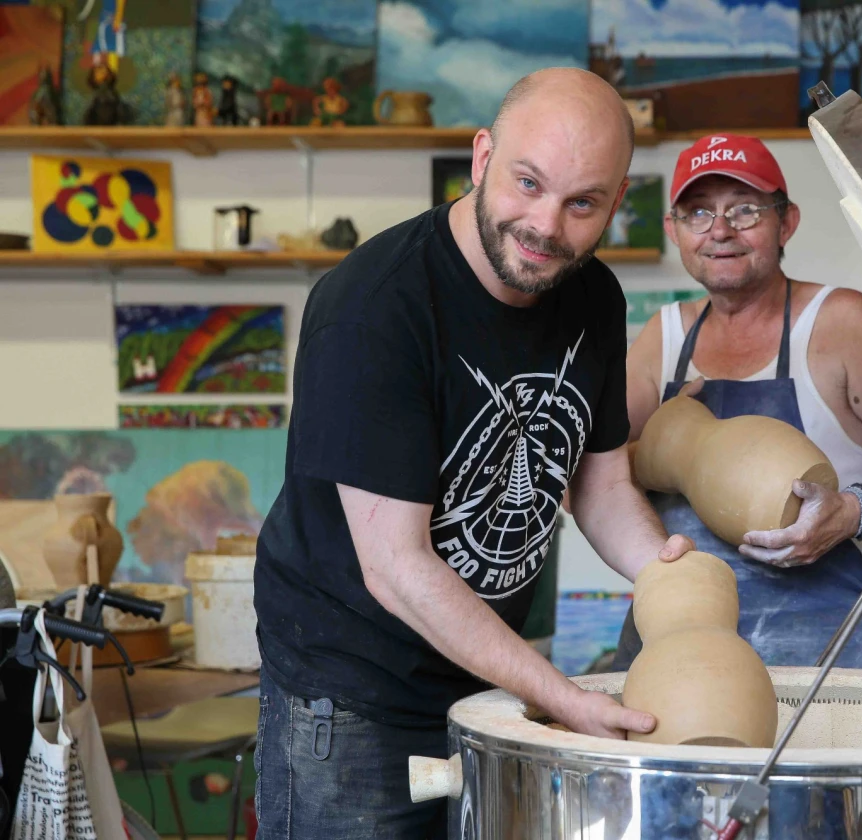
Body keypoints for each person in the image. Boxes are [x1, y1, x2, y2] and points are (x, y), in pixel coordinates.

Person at [251, 68, 693, 839]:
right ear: (482, 156)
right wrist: (559, 695)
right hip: (353, 699)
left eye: (582, 202)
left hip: (485, 683)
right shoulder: (373, 309)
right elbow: (397, 566)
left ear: (616, 203)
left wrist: (673, 575)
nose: (546, 225)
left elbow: (602, 484)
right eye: (528, 183)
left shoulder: (593, 297)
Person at [611, 134, 862, 672]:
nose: (721, 231)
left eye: (745, 209)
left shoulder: (840, 321)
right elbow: (589, 477)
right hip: (679, 647)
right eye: (699, 213)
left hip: (825, 656)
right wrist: (663, 451)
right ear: (674, 230)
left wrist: (852, 510)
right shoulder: (663, 337)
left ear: (787, 221)